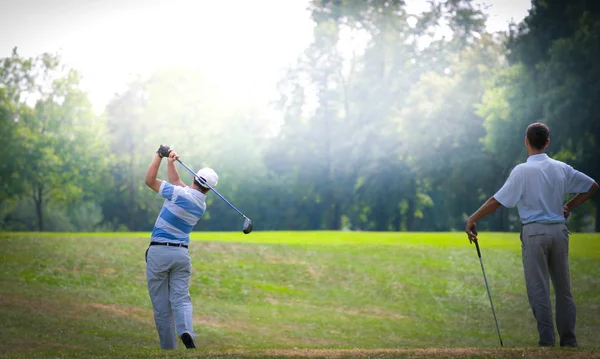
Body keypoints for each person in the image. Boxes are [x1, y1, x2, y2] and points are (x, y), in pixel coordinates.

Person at [465, 122, 598, 348]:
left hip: (534, 233)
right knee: (564, 289)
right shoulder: (561, 168)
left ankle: (546, 341)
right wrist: (570, 206)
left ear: (526, 141)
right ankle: (569, 341)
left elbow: (497, 200)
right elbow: (592, 186)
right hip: (559, 231)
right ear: (547, 142)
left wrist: (472, 218)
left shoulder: (522, 171)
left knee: (539, 288)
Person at [144, 144, 219, 350]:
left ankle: (169, 349)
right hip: (181, 255)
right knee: (181, 298)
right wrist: (171, 162)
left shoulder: (179, 194)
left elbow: (149, 181)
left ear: (195, 177)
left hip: (160, 252)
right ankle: (186, 331)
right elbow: (176, 181)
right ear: (209, 189)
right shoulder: (199, 204)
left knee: (162, 306)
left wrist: (159, 156)